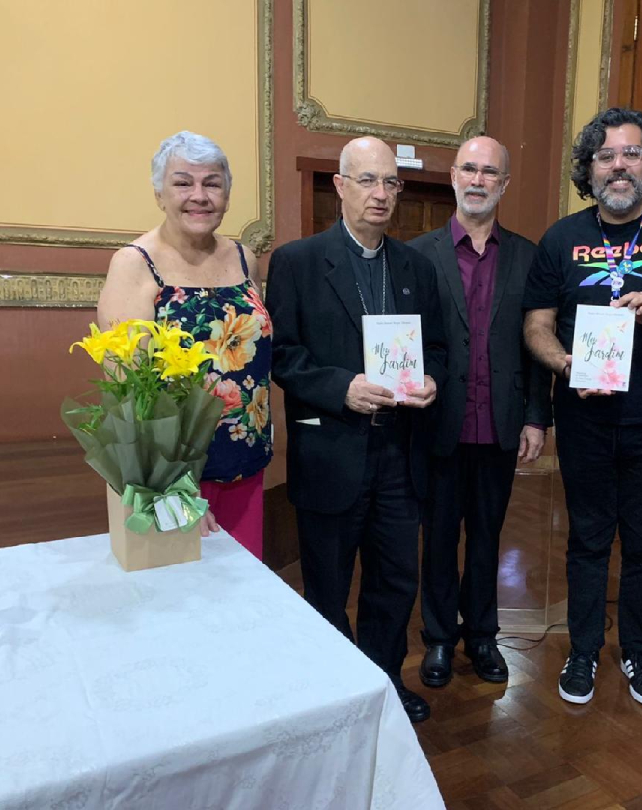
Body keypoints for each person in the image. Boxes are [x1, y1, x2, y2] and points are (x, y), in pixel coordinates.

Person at [523, 108, 642, 706]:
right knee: (585, 540)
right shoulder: (561, 237)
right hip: (584, 419)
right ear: (590, 167)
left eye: (631, 153)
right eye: (605, 155)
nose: (618, 164)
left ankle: (638, 653)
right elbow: (536, 325)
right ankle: (583, 649)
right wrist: (567, 366)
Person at [266, 137, 447, 724]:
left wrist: (432, 381)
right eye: (367, 180)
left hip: (400, 450)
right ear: (339, 186)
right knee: (327, 583)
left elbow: (438, 350)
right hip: (333, 448)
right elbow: (283, 357)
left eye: (391, 183)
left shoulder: (417, 266)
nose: (381, 194)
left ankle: (384, 683)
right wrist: (341, 387)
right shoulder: (296, 262)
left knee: (395, 580)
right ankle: (332, 691)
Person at [408, 136, 551, 688]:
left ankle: (483, 636)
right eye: (468, 168)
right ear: (452, 178)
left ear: (504, 184)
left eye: (489, 172)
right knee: (439, 538)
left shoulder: (527, 255)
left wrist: (537, 417)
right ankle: (440, 639)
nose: (477, 179)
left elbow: (540, 344)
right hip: (436, 424)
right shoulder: (417, 256)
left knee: (489, 538)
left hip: (501, 424)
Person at [98, 131, 271, 560]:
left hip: (246, 465)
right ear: (159, 193)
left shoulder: (244, 257)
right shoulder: (135, 264)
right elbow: (127, 393)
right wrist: (172, 490)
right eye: (182, 183)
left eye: (212, 183)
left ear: (227, 195)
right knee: (186, 605)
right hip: (174, 477)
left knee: (245, 601)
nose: (199, 196)